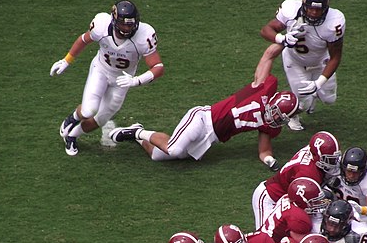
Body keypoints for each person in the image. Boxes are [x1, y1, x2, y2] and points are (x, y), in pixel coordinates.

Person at [108, 47, 298, 169]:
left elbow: (264, 151)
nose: (276, 119)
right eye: (277, 113)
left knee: (158, 156)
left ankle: (136, 132)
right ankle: (139, 133)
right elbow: (268, 55)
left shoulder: (271, 125)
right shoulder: (262, 89)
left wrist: (271, 162)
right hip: (203, 119)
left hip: (212, 137)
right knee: (174, 149)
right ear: (274, 102)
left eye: (281, 117)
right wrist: (284, 41)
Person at [50, 0, 164, 156]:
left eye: (130, 24)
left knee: (101, 119)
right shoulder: (102, 25)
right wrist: (67, 60)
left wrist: (136, 81)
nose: (127, 28)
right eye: (123, 24)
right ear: (114, 20)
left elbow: (158, 67)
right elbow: (84, 39)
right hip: (101, 70)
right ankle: (73, 117)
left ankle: (72, 135)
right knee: (89, 110)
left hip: (123, 80)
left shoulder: (144, 35)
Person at [260, 0, 345, 131]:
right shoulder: (291, 10)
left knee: (329, 99)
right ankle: (294, 115)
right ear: (303, 4)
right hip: (295, 62)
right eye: (311, 8)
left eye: (318, 9)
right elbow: (266, 30)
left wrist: (319, 82)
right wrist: (282, 38)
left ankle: (315, 94)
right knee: (302, 103)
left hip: (321, 62)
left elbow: (335, 57)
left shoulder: (334, 21)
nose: (313, 13)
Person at [252, 131, 342, 228]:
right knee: (267, 235)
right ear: (316, 156)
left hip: (289, 196)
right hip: (271, 198)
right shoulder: (308, 173)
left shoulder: (312, 153)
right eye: (330, 159)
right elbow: (305, 203)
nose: (334, 162)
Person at [258, 177, 330, 243]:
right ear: (302, 201)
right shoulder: (299, 219)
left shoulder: (286, 198)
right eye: (314, 202)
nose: (319, 203)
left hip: (262, 237)